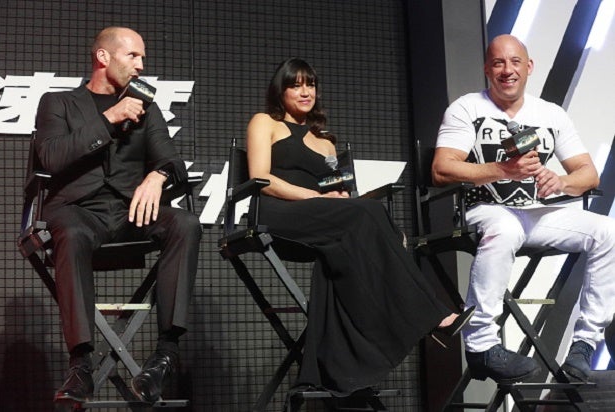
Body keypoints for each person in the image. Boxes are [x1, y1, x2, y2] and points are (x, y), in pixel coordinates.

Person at [246, 57, 475, 396]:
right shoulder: (265, 122)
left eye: (310, 85)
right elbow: (261, 179)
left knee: (359, 232)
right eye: (296, 85)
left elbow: (337, 190)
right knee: (369, 214)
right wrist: (316, 197)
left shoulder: (326, 141)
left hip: (321, 219)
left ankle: (344, 371)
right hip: (276, 213)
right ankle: (433, 316)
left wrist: (337, 196)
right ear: (281, 91)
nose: (305, 92)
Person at [433, 34, 615, 383]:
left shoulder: (551, 114)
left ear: (529, 67)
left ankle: (583, 345)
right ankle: (481, 345)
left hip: (536, 213)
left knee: (607, 231)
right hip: (485, 209)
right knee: (505, 228)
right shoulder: (467, 108)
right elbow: (442, 169)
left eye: (515, 61)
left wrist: (560, 182)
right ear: (487, 69)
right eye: (498, 63)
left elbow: (588, 174)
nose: (507, 70)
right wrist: (502, 170)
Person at [34, 27, 202, 404]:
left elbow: (172, 160)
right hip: (78, 212)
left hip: (131, 213)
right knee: (71, 233)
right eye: (133, 56)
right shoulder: (58, 103)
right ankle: (80, 365)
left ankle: (165, 355)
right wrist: (109, 118)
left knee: (185, 223)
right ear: (103, 57)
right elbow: (52, 157)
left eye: (142, 58)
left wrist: (157, 176)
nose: (141, 65)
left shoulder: (146, 107)